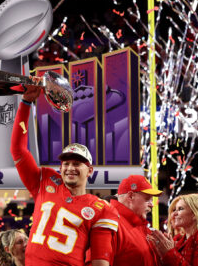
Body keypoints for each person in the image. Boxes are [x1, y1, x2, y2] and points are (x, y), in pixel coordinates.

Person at [10, 83, 119, 266]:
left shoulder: (101, 208)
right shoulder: (45, 181)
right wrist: (26, 103)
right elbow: (18, 149)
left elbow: (100, 261)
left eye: (77, 164)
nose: (70, 168)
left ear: (90, 170)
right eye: (66, 163)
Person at [100, 175, 162, 266]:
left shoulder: (138, 225)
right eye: (148, 199)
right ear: (131, 196)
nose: (152, 205)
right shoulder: (109, 224)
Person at [149, 193, 198, 266]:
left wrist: (169, 252)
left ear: (196, 214)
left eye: (180, 209)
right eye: (174, 210)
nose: (174, 214)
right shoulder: (178, 238)